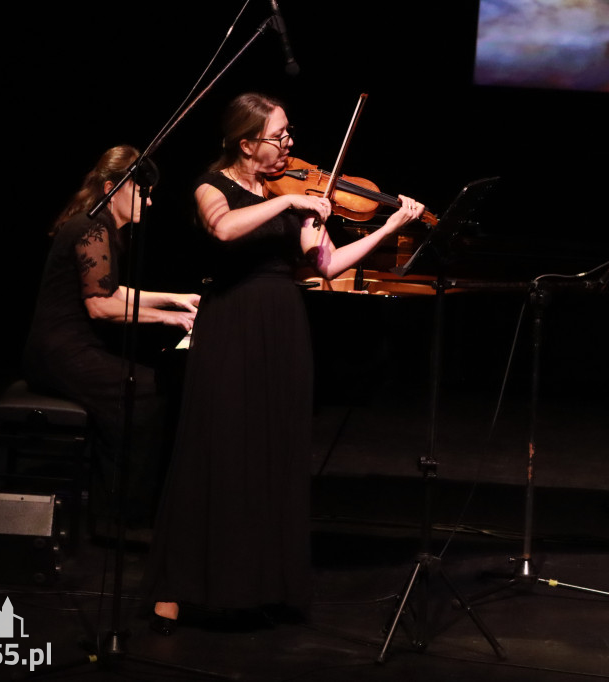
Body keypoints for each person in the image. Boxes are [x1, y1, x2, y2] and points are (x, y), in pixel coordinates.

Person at [144, 93, 424, 633]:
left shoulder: (285, 193)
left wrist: (389, 227)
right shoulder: (214, 187)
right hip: (232, 324)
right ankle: (175, 591)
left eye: (289, 134)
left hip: (283, 326)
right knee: (215, 450)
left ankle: (263, 586)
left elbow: (326, 265)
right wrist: (287, 204)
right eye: (280, 135)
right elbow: (224, 229)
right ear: (246, 143)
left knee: (274, 454)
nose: (290, 145)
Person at [23, 145, 200, 530]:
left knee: (146, 387)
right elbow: (101, 306)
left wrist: (173, 298)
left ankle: (125, 510)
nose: (148, 202)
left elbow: (111, 291)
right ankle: (118, 520)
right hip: (59, 352)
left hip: (65, 348)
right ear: (112, 186)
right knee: (145, 392)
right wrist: (169, 320)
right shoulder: (92, 227)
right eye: (142, 191)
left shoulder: (97, 224)